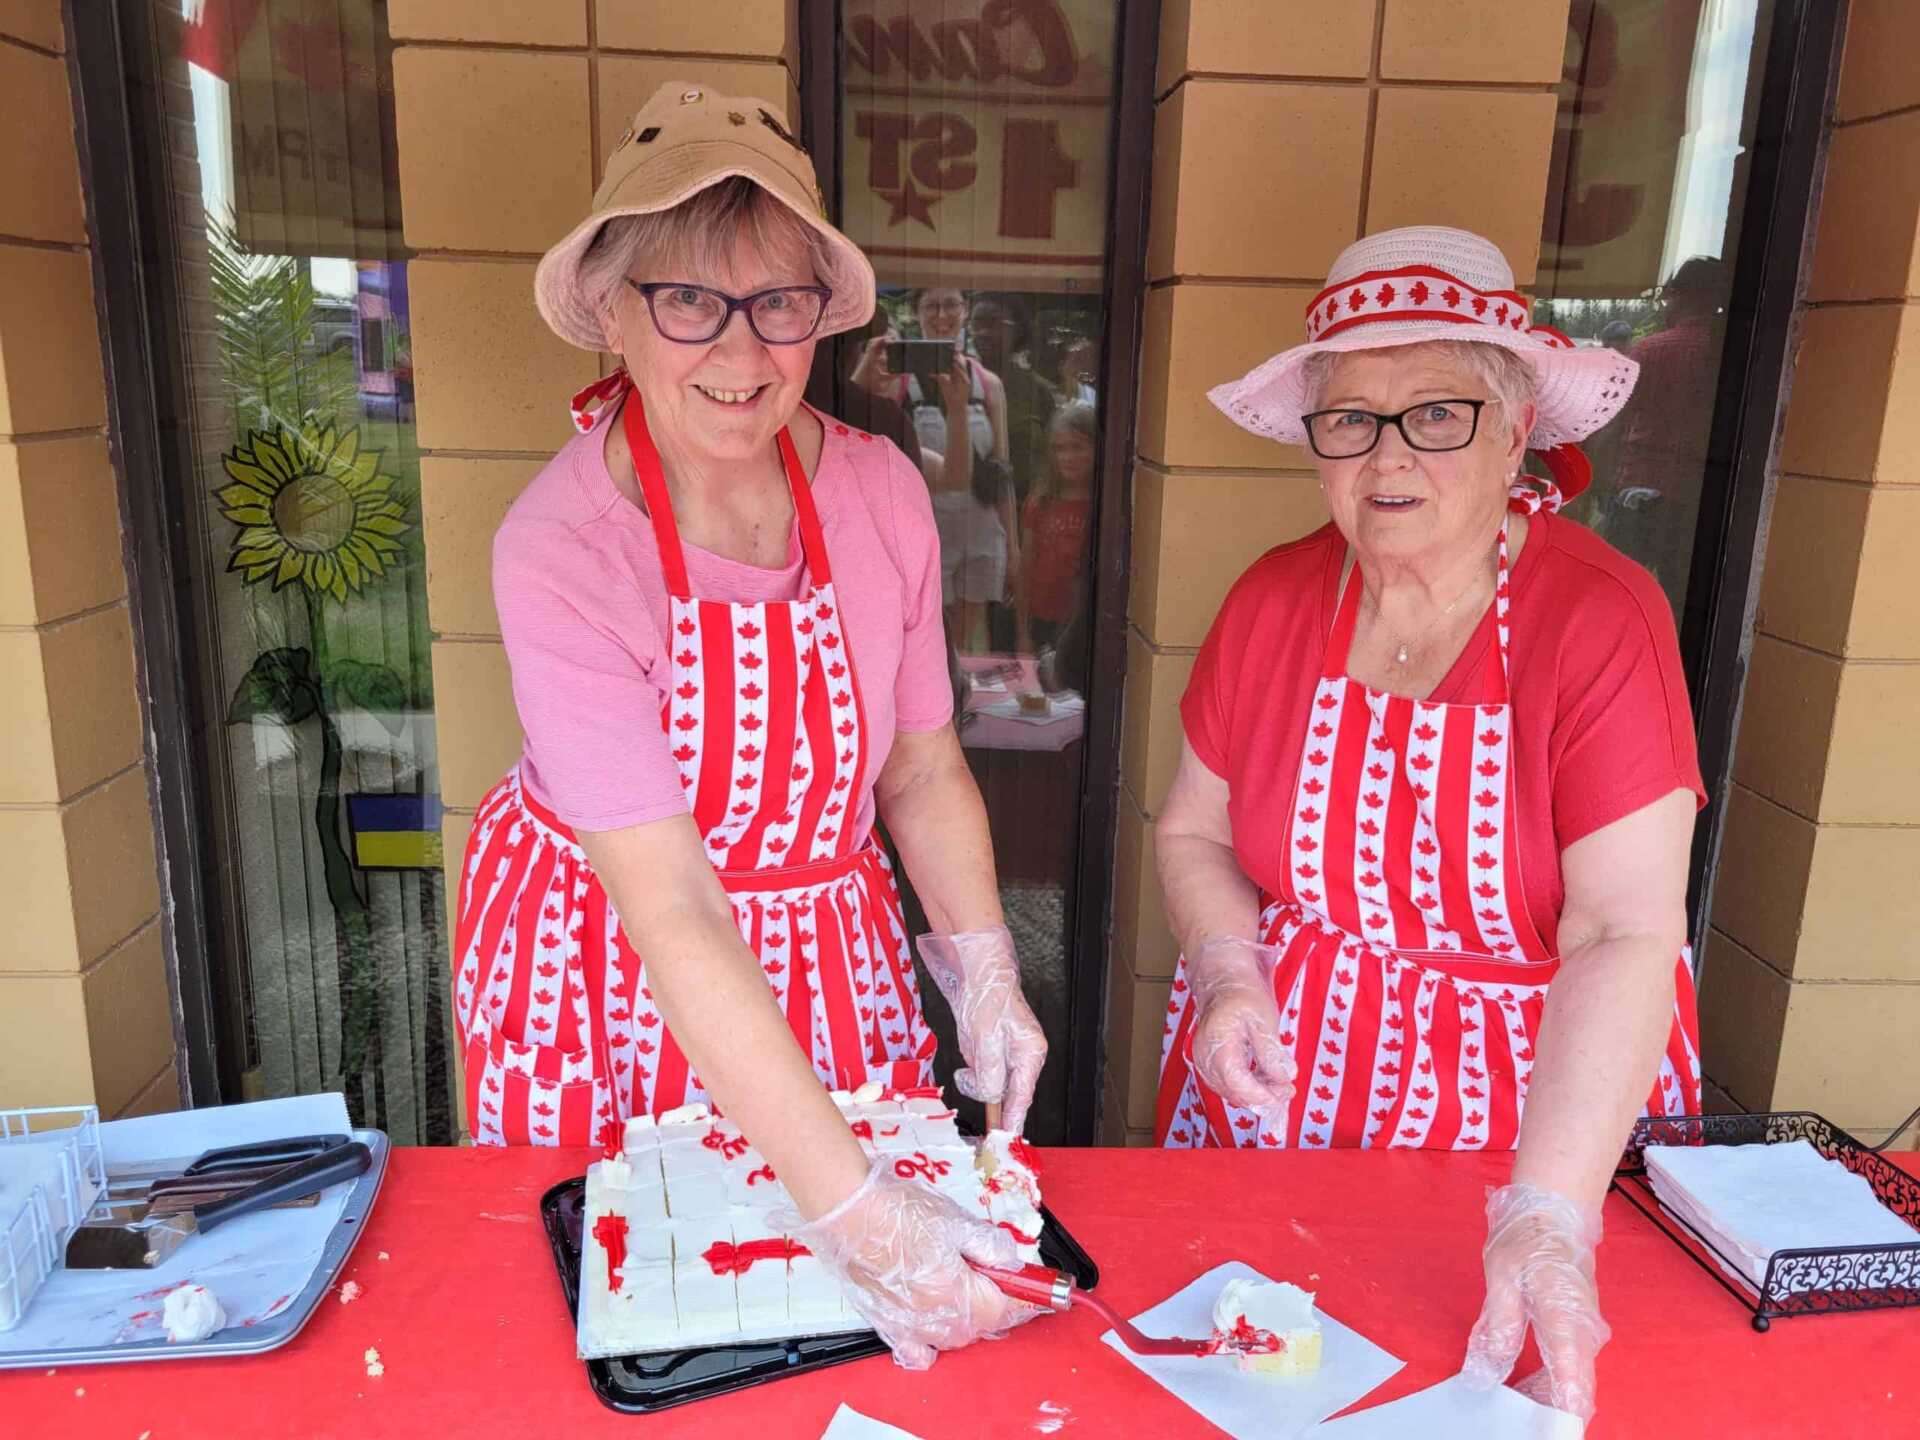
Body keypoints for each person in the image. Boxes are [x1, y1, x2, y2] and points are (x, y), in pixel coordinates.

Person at [453, 82, 1049, 1369]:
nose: (741, 352)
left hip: (831, 939)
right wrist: (856, 1212)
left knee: (827, 1336)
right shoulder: (561, 552)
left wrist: (986, 961)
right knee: (659, 1299)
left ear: (818, 317)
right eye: (688, 301)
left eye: (778, 303)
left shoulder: (883, 491)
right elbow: (674, 907)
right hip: (613, 964)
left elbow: (923, 764)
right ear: (611, 313)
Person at [1155, 226, 1704, 1422]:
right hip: (1286, 1080)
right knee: (1255, 1387)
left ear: (1516, 431)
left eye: (1437, 413)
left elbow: (1622, 933)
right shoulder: (1275, 595)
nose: (1387, 452)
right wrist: (1231, 971)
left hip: (1528, 1109)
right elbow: (1194, 833)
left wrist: (1550, 1214)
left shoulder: (1602, 619)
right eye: (1349, 418)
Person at [852, 286, 1020, 652]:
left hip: (979, 524)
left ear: (965, 310)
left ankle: (957, 704)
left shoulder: (989, 385)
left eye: (951, 305)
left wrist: (1014, 547)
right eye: (931, 306)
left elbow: (1001, 470)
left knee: (964, 637)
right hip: (924, 525)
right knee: (927, 635)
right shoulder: (896, 382)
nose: (941, 316)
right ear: (916, 312)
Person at [1016, 403, 1097, 656]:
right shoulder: (1041, 501)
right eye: (1059, 448)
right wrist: (1022, 634)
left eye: (1077, 447)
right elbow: (1025, 569)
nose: (1067, 457)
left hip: (1083, 625)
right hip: (1041, 621)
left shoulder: (1102, 504)